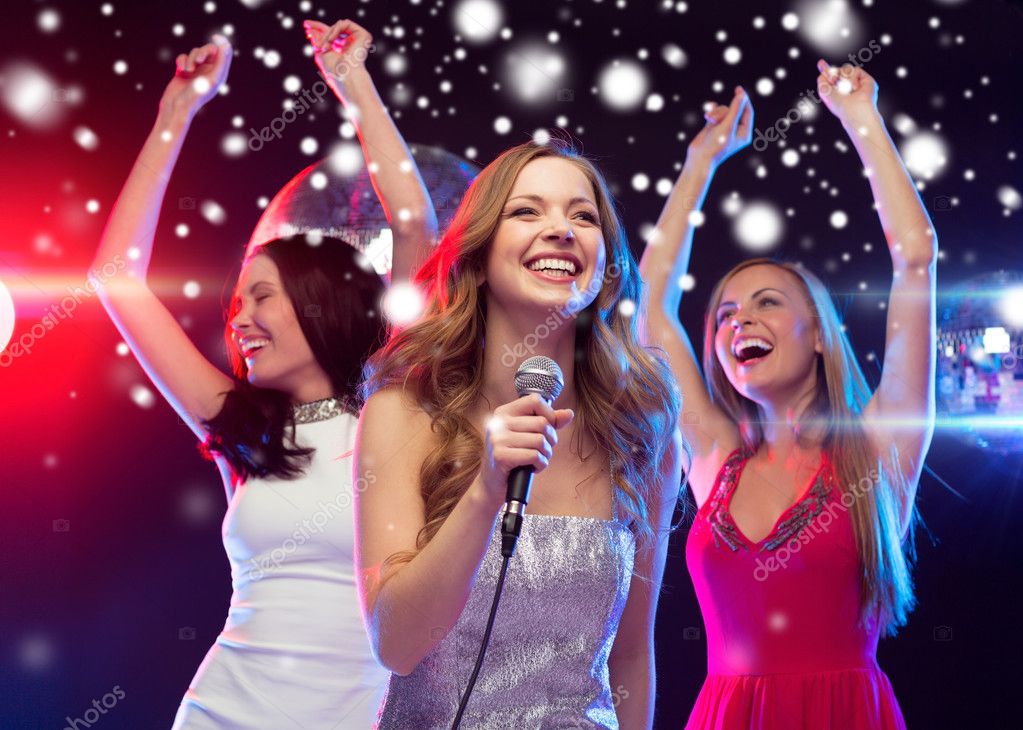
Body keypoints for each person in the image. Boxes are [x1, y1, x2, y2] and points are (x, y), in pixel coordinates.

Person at [89, 19, 437, 728]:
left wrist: (353, 85)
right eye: (235, 302)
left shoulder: (395, 403)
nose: (239, 320)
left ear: (320, 302)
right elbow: (114, 277)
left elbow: (413, 225)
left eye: (263, 295)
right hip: (222, 712)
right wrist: (176, 111)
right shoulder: (245, 429)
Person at [640, 64, 935, 729]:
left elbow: (914, 259)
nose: (737, 321)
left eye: (766, 304)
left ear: (821, 336)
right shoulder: (715, 458)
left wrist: (861, 119)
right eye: (724, 314)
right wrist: (699, 163)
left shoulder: (876, 450)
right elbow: (653, 307)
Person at [354, 139, 684, 728]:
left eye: (583, 216)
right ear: (477, 259)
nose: (561, 229)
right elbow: (396, 646)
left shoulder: (644, 420)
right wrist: (486, 491)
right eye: (527, 211)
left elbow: (632, 655)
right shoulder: (402, 411)